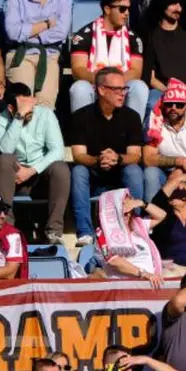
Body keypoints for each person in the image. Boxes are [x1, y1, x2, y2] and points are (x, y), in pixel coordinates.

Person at [69, 67, 146, 246]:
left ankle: (135, 226)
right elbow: (78, 155)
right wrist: (98, 160)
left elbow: (135, 155)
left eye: (124, 89)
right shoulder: (81, 117)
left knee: (134, 170)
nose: (122, 94)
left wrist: (117, 159)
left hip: (120, 174)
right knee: (78, 171)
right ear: (102, 90)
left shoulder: (132, 117)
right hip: (93, 174)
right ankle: (85, 232)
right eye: (116, 89)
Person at [0, 82, 70, 245]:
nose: (29, 111)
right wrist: (19, 118)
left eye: (30, 106)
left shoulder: (45, 114)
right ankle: (6, 228)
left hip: (40, 176)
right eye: (24, 107)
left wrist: (32, 170)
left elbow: (58, 151)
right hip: (13, 178)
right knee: (5, 160)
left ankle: (54, 231)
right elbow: (6, 149)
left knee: (61, 168)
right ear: (12, 109)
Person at [69, 0, 148, 119]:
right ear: (107, 9)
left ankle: (133, 134)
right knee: (79, 88)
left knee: (139, 87)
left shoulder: (133, 38)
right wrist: (103, 83)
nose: (127, 13)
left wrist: (114, 85)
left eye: (129, 9)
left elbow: (136, 71)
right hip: (94, 84)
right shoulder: (84, 35)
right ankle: (81, 134)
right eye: (122, 9)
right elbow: (78, 70)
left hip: (122, 84)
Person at [2, 0, 71, 109]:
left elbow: (61, 32)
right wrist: (45, 24)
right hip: (20, 54)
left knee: (45, 107)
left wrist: (28, 33)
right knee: (22, 103)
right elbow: (13, 32)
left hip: (49, 55)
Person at [95, 189, 166, 283]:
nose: (128, 213)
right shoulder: (103, 235)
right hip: (125, 288)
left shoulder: (139, 226)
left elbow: (161, 215)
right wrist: (143, 274)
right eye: (122, 208)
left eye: (130, 208)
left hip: (149, 284)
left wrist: (141, 203)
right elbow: (114, 261)